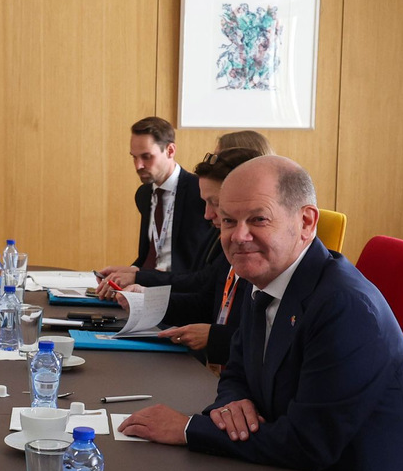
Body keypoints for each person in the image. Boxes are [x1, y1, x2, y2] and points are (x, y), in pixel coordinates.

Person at [116, 156, 403, 471]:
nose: (238, 236)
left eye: (258, 219)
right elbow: (237, 369)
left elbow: (308, 443)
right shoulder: (263, 277)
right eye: (228, 221)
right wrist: (232, 401)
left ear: (306, 222)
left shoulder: (345, 306)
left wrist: (188, 429)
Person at [110, 147, 262, 365]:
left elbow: (268, 341)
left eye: (215, 203)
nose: (207, 214)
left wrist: (214, 337)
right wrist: (147, 301)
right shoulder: (228, 245)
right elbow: (205, 302)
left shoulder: (257, 255)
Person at [97, 130, 273, 292]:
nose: (208, 214)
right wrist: (134, 275)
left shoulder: (196, 193)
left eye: (219, 159)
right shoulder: (144, 194)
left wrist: (142, 283)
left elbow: (201, 284)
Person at [96, 117, 209, 287]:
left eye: (146, 157)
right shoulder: (144, 194)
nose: (138, 166)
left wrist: (139, 278)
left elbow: (196, 270)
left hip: (181, 291)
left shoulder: (200, 192)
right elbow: (150, 256)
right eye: (134, 157)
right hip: (147, 287)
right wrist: (128, 273)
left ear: (170, 150)